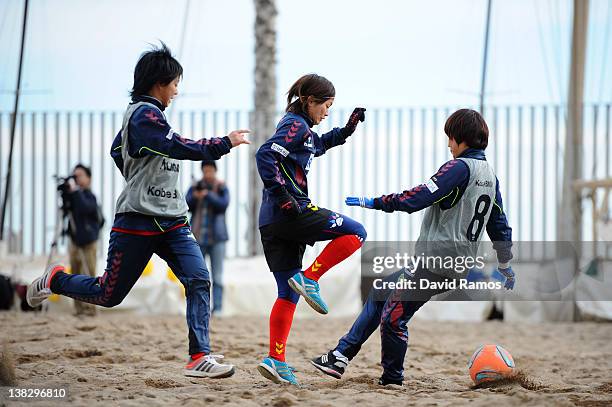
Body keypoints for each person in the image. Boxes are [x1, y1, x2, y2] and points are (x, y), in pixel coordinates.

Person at [27, 42, 250, 378]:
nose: (177, 90)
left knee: (199, 278)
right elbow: (174, 145)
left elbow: (118, 150)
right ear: (159, 82)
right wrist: (221, 144)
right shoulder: (144, 115)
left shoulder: (151, 118)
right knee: (108, 294)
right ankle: (56, 279)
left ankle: (198, 356)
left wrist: (138, 174)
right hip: (137, 221)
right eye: (175, 83)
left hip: (173, 219)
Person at [311, 108, 514, 386]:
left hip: (437, 260)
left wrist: (375, 202)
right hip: (455, 263)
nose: (448, 144)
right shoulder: (490, 177)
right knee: (381, 291)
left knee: (394, 317)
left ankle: (392, 379)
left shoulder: (457, 168)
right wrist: (505, 262)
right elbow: (498, 223)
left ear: (460, 138)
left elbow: (416, 198)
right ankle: (340, 355)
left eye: (450, 138)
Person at [255, 74, 368, 385]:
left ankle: (275, 359)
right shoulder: (295, 125)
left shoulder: (300, 129)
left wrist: (345, 131)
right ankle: (311, 277)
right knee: (357, 232)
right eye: (326, 106)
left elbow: (316, 146)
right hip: (290, 212)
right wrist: (284, 197)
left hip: (270, 221)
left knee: (286, 294)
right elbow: (265, 154)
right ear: (309, 101)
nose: (327, 112)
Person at [186, 160, 229, 315]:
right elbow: (186, 205)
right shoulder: (195, 186)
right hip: (198, 237)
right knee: (197, 276)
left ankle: (218, 308)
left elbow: (223, 205)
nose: (208, 173)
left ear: (215, 171)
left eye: (210, 170)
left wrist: (208, 195)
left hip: (217, 238)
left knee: (217, 276)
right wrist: (196, 196)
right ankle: (199, 308)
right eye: (205, 170)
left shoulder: (221, 186)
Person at [65, 163, 101, 317]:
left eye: (80, 175)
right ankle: (78, 308)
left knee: (90, 274)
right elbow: (67, 209)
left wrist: (76, 192)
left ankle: (91, 308)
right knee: (74, 273)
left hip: (88, 241)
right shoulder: (73, 195)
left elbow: (86, 208)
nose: (77, 179)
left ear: (89, 178)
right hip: (74, 240)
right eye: (75, 176)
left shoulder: (89, 196)